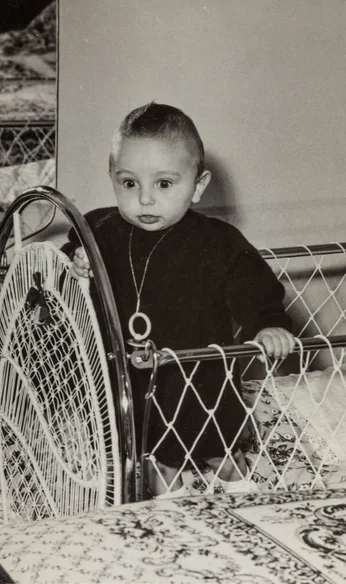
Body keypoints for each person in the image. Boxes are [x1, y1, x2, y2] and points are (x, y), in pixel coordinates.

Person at [66, 102, 295, 499]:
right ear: (112, 179)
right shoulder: (101, 228)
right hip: (134, 373)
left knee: (216, 434)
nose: (146, 200)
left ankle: (236, 480)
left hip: (201, 371)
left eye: (165, 184)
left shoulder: (218, 242)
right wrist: (78, 260)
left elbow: (255, 287)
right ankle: (170, 505)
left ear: (198, 186)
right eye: (129, 183)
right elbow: (76, 243)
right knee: (151, 445)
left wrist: (268, 323)